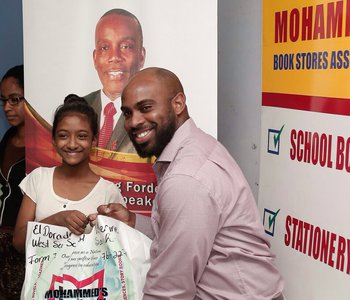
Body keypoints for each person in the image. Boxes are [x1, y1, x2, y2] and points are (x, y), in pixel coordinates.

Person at [95, 67, 285, 299]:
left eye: (146, 108)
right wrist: (132, 220)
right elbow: (180, 234)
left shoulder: (186, 178)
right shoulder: (195, 147)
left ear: (178, 104)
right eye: (127, 113)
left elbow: (169, 291)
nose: (133, 122)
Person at [13, 94, 124, 253]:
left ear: (94, 140)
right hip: (41, 277)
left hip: (91, 278)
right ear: (53, 140)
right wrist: (57, 219)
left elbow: (118, 250)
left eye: (82, 136)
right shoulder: (38, 179)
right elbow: (18, 242)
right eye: (63, 136)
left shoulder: (108, 191)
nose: (72, 144)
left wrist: (101, 230)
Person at [84, 8, 146, 153]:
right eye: (104, 47)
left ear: (141, 57)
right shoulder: (75, 109)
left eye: (125, 46)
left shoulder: (154, 116)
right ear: (95, 58)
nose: (114, 57)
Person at [0, 64, 26, 299]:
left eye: (15, 99)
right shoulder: (6, 139)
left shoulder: (45, 148)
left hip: (24, 244)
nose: (7, 107)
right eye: (4, 101)